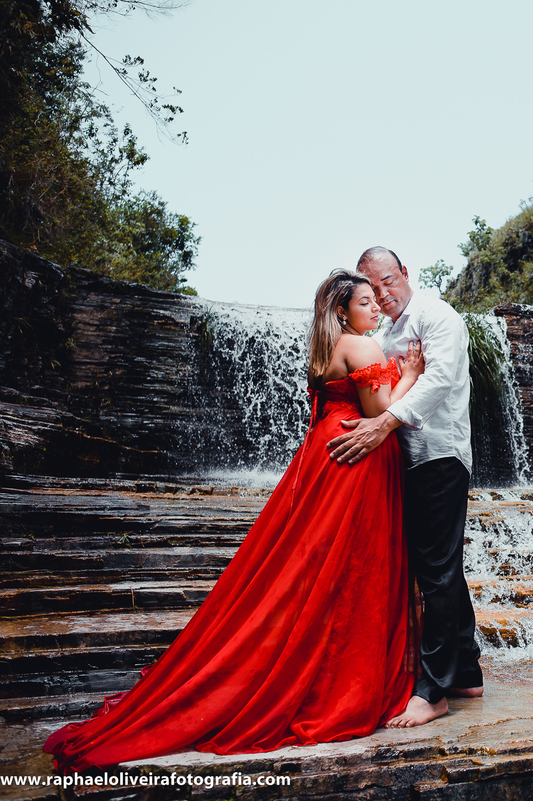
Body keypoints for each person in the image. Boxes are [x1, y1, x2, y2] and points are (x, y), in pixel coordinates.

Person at [43, 270, 424, 772]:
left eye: (378, 301)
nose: (376, 309)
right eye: (367, 302)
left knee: (308, 567)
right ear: (341, 311)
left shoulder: (328, 350)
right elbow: (379, 412)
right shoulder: (364, 348)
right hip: (359, 461)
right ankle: (342, 677)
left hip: (323, 454)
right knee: (351, 569)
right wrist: (413, 375)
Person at [328, 246, 483, 728]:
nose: (382, 294)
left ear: (405, 274)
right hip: (406, 464)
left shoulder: (437, 316)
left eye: (389, 282)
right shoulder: (385, 331)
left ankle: (432, 691)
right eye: (372, 289)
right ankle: (466, 671)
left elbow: (438, 380)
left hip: (439, 457)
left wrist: (385, 423)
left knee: (434, 572)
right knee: (439, 568)